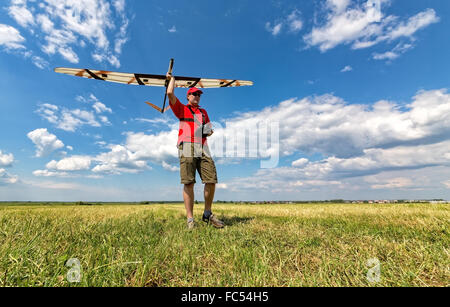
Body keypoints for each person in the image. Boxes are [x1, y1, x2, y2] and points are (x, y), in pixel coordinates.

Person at [166, 72, 225, 230]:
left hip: (203, 146)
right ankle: (190, 219)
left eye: (199, 94)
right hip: (186, 145)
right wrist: (172, 80)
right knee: (189, 182)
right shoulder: (182, 109)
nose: (197, 97)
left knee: (211, 179)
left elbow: (209, 130)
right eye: (194, 94)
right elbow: (170, 93)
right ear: (188, 96)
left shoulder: (203, 112)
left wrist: (208, 131)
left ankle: (207, 213)